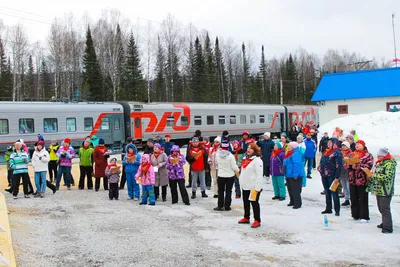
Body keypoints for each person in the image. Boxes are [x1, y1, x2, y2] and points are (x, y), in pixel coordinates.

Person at [367, 148, 397, 234]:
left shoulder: (389, 164)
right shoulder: (380, 163)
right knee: (381, 207)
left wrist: (374, 175)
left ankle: (388, 227)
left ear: (384, 156)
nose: (377, 157)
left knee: (385, 208)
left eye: (379, 156)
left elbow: (388, 177)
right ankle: (385, 222)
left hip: (385, 190)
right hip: (379, 189)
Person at [345, 140, 374, 222]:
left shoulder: (368, 155)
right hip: (352, 179)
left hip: (362, 180)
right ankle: (355, 214)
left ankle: (364, 216)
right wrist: (350, 165)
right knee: (353, 198)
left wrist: (357, 165)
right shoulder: (352, 154)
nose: (357, 146)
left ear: (363, 146)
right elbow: (346, 165)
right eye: (356, 144)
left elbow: (369, 165)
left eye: (359, 145)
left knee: (363, 198)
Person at [238, 143, 263, 228]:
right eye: (248, 148)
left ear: (255, 150)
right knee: (246, 202)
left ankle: (257, 220)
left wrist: (257, 188)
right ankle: (246, 217)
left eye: (251, 148)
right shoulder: (245, 159)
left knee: (254, 203)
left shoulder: (257, 160)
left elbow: (259, 175)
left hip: (253, 186)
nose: (248, 149)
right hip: (245, 185)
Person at [318, 138, 343, 216]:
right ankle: (328, 208)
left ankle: (337, 210)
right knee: (327, 192)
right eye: (328, 142)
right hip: (324, 175)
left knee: (334, 192)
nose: (329, 144)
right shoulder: (326, 151)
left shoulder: (337, 153)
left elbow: (339, 166)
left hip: (332, 175)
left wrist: (337, 177)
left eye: (330, 143)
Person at [214, 137, 239, 211]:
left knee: (220, 191)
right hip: (230, 176)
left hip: (221, 175)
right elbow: (234, 167)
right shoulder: (231, 156)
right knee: (228, 191)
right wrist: (238, 170)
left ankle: (220, 205)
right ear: (228, 147)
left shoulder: (218, 155)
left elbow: (216, 163)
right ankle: (227, 206)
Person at [283, 142, 305, 209]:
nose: (288, 147)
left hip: (295, 175)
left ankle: (297, 203)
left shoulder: (296, 154)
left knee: (296, 190)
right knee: (290, 189)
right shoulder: (289, 153)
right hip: (289, 174)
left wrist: (295, 174)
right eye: (288, 146)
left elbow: (297, 165)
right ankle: (292, 201)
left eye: (290, 146)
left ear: (294, 147)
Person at [340, 141, 351, 206]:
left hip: (347, 172)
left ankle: (350, 198)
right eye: (342, 146)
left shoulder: (350, 153)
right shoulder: (340, 153)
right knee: (344, 186)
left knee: (348, 186)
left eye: (345, 146)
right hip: (341, 171)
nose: (343, 147)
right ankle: (346, 199)